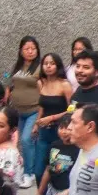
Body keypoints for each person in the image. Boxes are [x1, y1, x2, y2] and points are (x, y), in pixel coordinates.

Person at [30, 52, 74, 183]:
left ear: (58, 66)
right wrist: (36, 124)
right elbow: (41, 106)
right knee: (38, 170)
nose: (48, 66)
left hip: (60, 131)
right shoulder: (40, 83)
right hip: (44, 131)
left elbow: (72, 109)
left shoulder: (65, 84)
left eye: (52, 63)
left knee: (56, 168)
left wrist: (52, 118)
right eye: (45, 64)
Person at [6, 36, 43, 189]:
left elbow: (43, 90)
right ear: (21, 51)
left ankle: (29, 174)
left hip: (34, 109)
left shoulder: (40, 68)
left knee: (27, 140)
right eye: (26, 49)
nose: (30, 51)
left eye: (33, 48)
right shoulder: (17, 67)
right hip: (18, 110)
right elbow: (10, 83)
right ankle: (29, 169)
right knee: (24, 142)